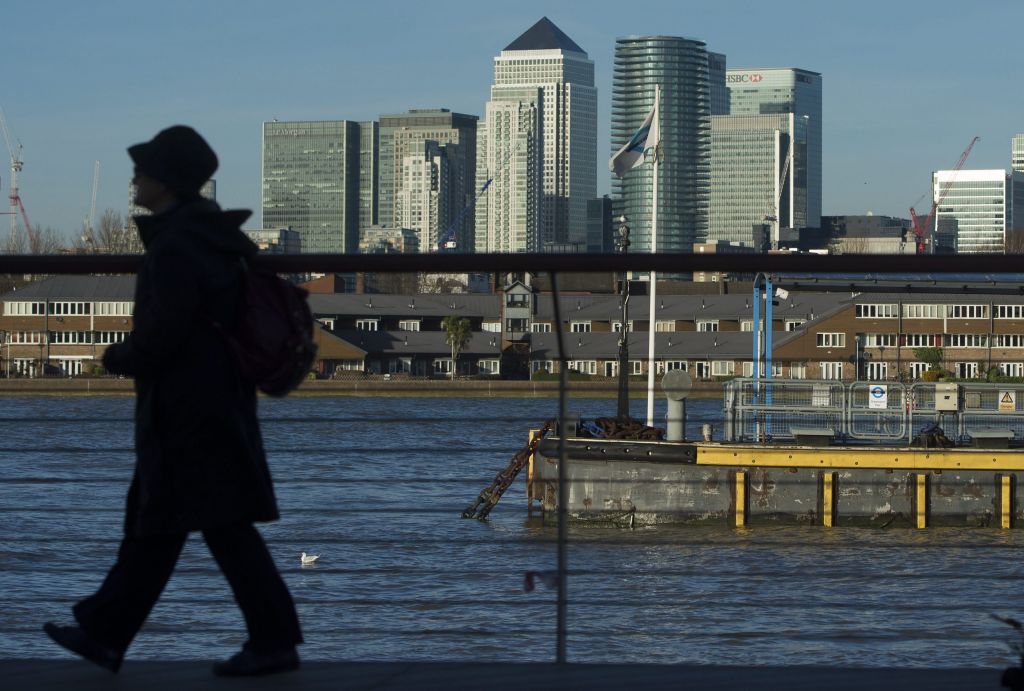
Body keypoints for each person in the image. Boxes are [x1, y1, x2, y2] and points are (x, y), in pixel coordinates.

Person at [43, 125, 303, 677]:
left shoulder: (178, 244)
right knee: (168, 522)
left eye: (144, 170)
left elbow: (166, 330)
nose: (134, 178)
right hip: (212, 401)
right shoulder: (208, 238)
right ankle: (107, 635)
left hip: (186, 407)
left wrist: (119, 357)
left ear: (166, 181)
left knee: (195, 524)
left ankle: (271, 640)